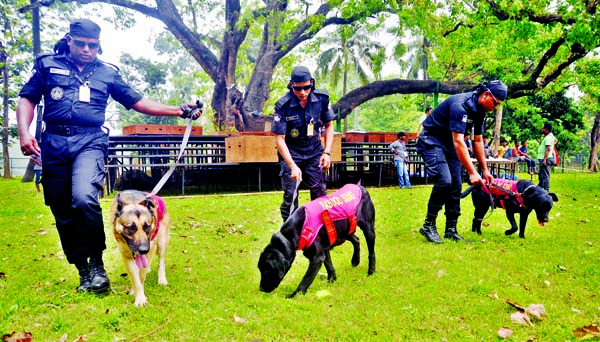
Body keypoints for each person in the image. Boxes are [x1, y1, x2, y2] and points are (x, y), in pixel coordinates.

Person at [16, 19, 201, 294]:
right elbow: (27, 99)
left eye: (93, 45)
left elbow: (138, 101)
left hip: (90, 141)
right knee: (62, 210)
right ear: (70, 40)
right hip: (53, 142)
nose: (87, 50)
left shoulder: (106, 73)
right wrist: (24, 132)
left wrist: (178, 110)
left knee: (84, 199)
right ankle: (83, 269)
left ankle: (98, 266)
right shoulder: (47, 66)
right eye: (81, 44)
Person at [416, 80, 507, 243]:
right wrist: (472, 173)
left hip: (449, 144)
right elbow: (459, 141)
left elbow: (477, 141)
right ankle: (428, 225)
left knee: (456, 185)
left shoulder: (480, 112)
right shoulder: (461, 105)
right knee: (444, 181)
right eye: (495, 103)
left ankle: (451, 229)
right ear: (486, 95)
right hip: (431, 140)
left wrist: (484, 170)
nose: (495, 107)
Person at [272, 66, 335, 221]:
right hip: (291, 152)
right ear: (291, 85)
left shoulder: (321, 99)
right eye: (298, 88)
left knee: (319, 192)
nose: (303, 92)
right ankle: (291, 234)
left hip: (314, 150)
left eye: (306, 87)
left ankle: (321, 231)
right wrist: (292, 165)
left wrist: (326, 152)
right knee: (291, 194)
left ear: (311, 83)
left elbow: (329, 126)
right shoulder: (282, 106)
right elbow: (279, 138)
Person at [537, 122, 557, 191]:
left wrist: (545, 159)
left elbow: (548, 149)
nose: (541, 129)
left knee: (545, 175)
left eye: (543, 128)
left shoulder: (548, 138)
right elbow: (555, 140)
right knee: (541, 175)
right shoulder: (549, 137)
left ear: (546, 129)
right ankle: (540, 188)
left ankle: (546, 190)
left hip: (546, 158)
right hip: (543, 158)